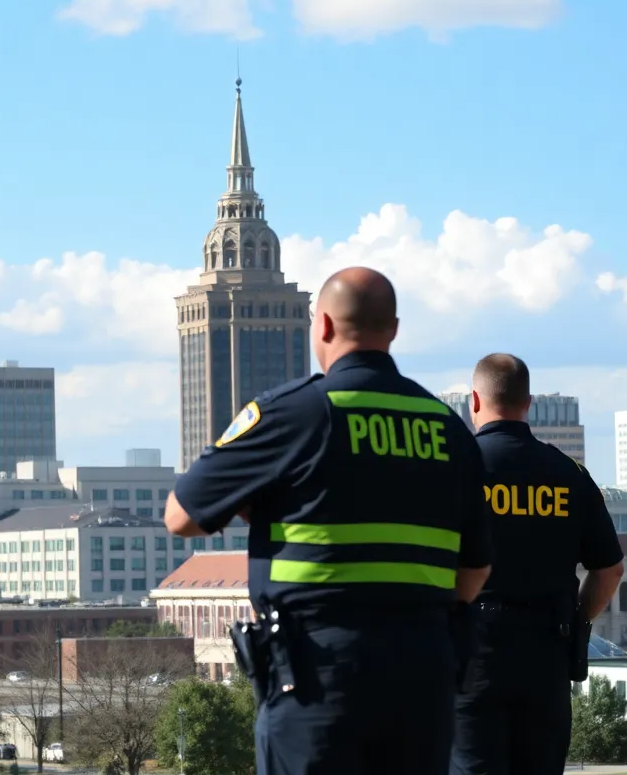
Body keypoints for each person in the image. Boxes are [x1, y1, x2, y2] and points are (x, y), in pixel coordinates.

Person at [165, 266, 493, 775]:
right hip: (422, 676)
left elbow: (181, 516)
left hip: (318, 676)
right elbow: (474, 572)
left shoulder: (294, 413)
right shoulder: (448, 428)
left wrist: (262, 501)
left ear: (321, 325)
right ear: (394, 329)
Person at [450, 353, 624, 775]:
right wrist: (579, 621)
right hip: (546, 656)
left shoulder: (454, 468)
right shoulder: (569, 474)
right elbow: (610, 570)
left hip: (472, 655)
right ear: (528, 403)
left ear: (475, 401)